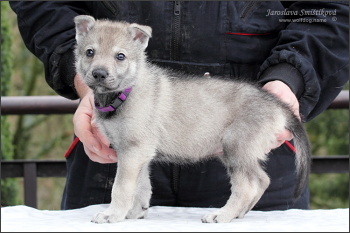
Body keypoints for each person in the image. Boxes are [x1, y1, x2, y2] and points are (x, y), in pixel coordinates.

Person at [10, 1, 349, 211]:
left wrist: (291, 76)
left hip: (245, 121)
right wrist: (90, 81)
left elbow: (331, 10)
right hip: (108, 154)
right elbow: (42, 5)